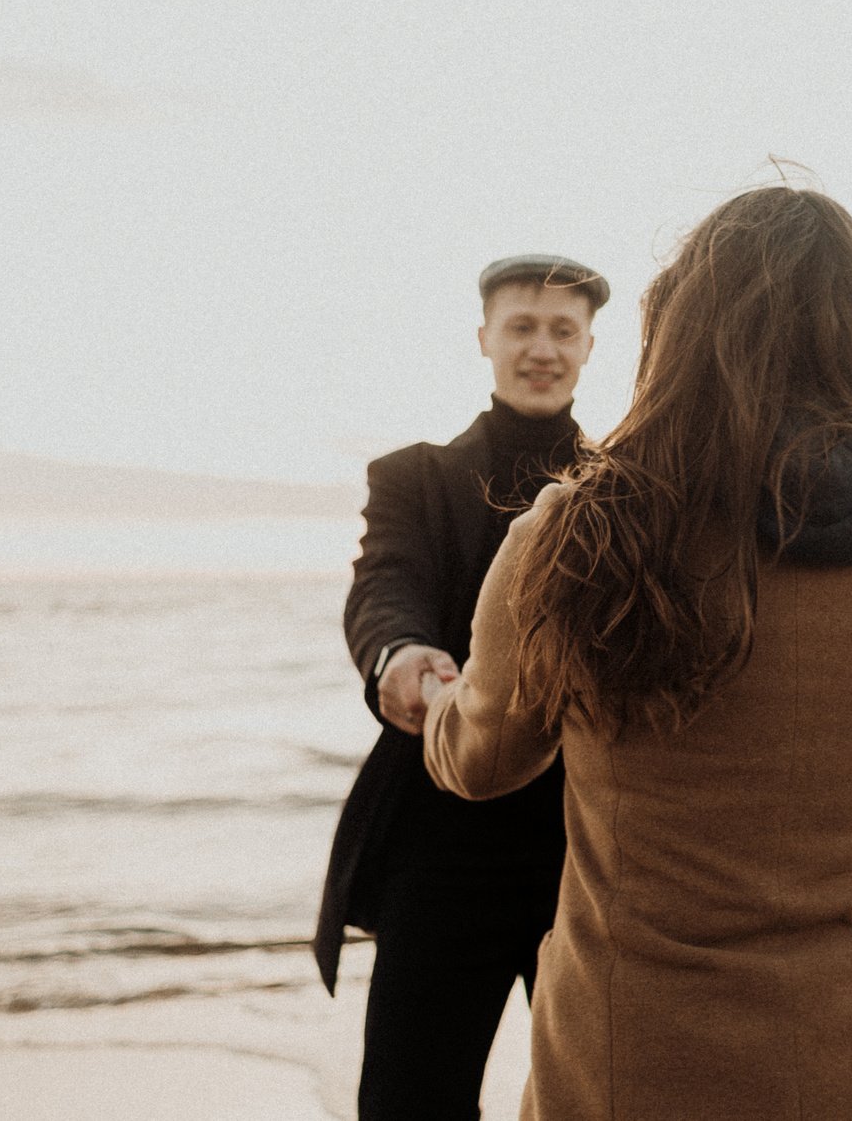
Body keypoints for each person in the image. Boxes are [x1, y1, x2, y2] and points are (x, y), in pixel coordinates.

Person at [423, 188, 852, 1121]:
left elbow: (484, 758)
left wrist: (440, 697)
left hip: (641, 1055)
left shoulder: (579, 528)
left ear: (677, 330)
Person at [313, 252, 609, 1121]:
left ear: (591, 344)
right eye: (523, 326)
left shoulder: (632, 484)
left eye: (563, 329)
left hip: (591, 841)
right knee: (408, 1102)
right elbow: (384, 584)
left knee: (614, 1098)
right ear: (485, 338)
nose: (542, 347)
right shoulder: (414, 477)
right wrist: (398, 656)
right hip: (444, 836)